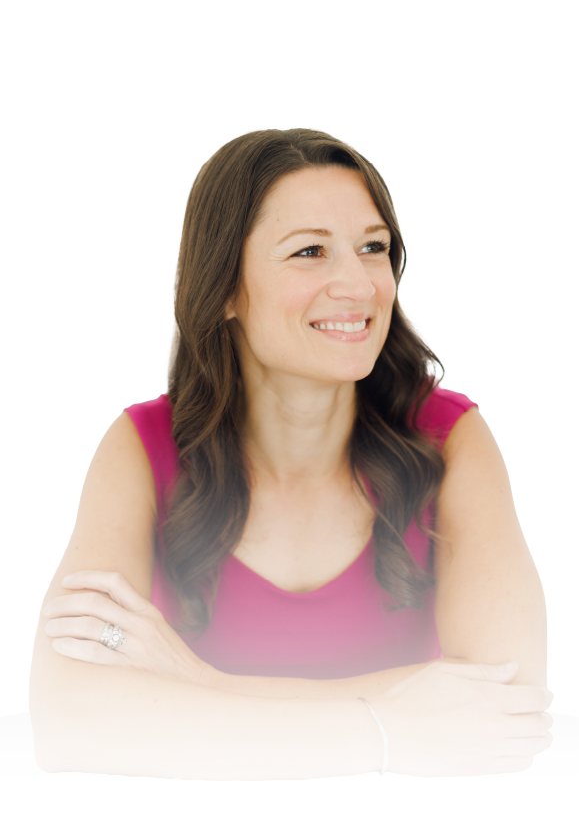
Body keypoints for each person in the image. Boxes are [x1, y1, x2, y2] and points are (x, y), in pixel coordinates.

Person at [29, 126, 553, 780]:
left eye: (373, 247)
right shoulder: (140, 450)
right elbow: (66, 724)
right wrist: (389, 730)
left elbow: (509, 708)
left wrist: (199, 684)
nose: (360, 284)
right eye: (309, 252)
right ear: (224, 288)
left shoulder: (451, 439)